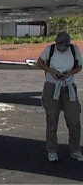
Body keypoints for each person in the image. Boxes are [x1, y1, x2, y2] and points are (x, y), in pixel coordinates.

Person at [37, 32, 83, 162]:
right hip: (52, 87)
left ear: (68, 45)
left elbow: (79, 66)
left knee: (74, 120)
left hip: (69, 87)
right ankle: (52, 150)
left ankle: (75, 150)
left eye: (62, 45)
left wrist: (69, 73)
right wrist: (52, 71)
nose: (59, 47)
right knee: (52, 120)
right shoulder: (49, 49)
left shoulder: (74, 50)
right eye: (57, 45)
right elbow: (39, 63)